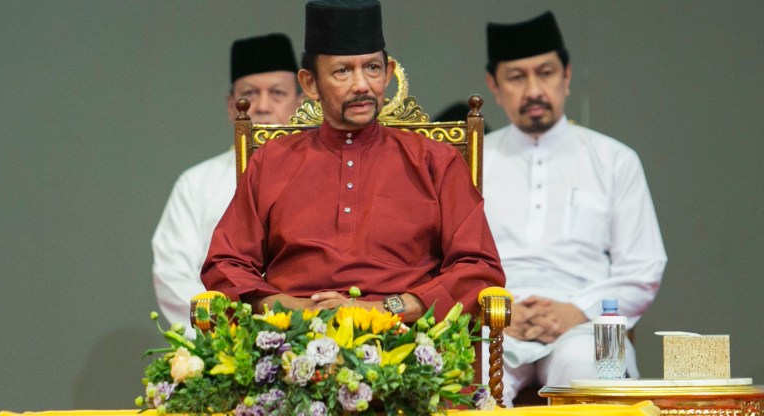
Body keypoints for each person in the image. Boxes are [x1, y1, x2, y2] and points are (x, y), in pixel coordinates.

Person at [201, 0, 505, 323]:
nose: (361, 85)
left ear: (388, 74)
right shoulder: (272, 163)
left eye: (372, 68)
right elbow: (224, 266)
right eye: (343, 71)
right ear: (309, 84)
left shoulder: (435, 161)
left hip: (409, 346)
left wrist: (384, 309)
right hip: (292, 345)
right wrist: (296, 310)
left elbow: (479, 268)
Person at [481, 11, 667, 406]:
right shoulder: (471, 165)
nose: (534, 89)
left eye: (545, 73)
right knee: (465, 375)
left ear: (566, 75)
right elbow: (447, 264)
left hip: (588, 324)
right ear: (493, 86)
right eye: (516, 77)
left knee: (594, 367)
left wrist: (577, 310)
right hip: (495, 323)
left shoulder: (614, 159)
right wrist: (497, 312)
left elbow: (643, 269)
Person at [152, 33, 303, 337]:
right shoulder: (197, 183)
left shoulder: (327, 174)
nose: (261, 106)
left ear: (301, 102)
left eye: (276, 93)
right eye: (249, 94)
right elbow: (173, 275)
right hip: (224, 347)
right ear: (231, 105)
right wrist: (229, 331)